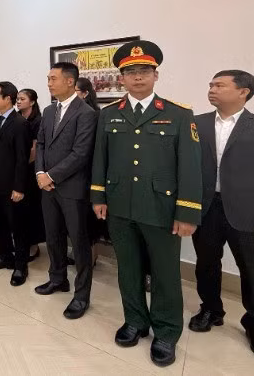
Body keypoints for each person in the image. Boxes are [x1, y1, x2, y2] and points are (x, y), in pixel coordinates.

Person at [90, 40, 202, 367]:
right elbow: (101, 159)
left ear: (156, 75)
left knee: (166, 274)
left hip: (161, 210)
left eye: (144, 71)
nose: (137, 77)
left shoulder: (179, 115)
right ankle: (135, 321)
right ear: (121, 78)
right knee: (129, 269)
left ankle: (166, 332)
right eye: (130, 72)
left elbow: (190, 168)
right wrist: (98, 196)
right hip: (120, 207)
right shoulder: (109, 114)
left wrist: (186, 212)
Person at [189, 70, 254, 363]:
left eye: (220, 85)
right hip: (206, 207)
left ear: (243, 91)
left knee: (252, 269)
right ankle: (210, 309)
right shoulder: (197, 124)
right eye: (210, 84)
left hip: (247, 212)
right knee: (206, 263)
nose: (212, 89)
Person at [34, 62, 97, 320]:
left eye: (53, 78)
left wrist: (50, 175)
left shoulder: (86, 113)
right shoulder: (49, 111)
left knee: (79, 243)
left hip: (72, 188)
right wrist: (40, 173)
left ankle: (81, 295)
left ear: (70, 81)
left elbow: (81, 153)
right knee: (53, 236)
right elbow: (40, 144)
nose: (49, 83)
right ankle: (57, 278)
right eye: (48, 78)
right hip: (46, 187)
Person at [0, 81, 31, 286]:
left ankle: (20, 266)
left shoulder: (20, 124)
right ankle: (4, 256)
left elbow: (22, 159)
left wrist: (19, 187)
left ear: (7, 99)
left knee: (17, 227)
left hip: (12, 186)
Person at [76, 78, 110, 265]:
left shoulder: (96, 115)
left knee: (90, 221)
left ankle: (90, 257)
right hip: (75, 175)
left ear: (85, 93)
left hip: (90, 173)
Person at [16, 88, 44, 260]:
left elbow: (34, 149)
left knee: (32, 208)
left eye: (22, 99)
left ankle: (33, 246)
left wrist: (22, 166)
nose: (18, 102)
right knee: (20, 209)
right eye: (17, 99)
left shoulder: (37, 120)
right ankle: (21, 241)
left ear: (32, 102)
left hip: (31, 170)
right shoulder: (18, 118)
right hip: (19, 169)